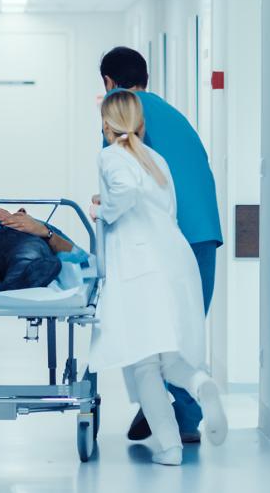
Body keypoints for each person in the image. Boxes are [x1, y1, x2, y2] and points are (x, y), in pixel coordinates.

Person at [87, 90, 227, 466]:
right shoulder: (157, 160)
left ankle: (170, 447)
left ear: (105, 123)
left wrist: (105, 211)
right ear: (142, 123)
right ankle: (202, 386)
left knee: (144, 364)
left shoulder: (111, 155)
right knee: (171, 356)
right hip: (174, 262)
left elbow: (126, 192)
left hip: (139, 268)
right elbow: (167, 208)